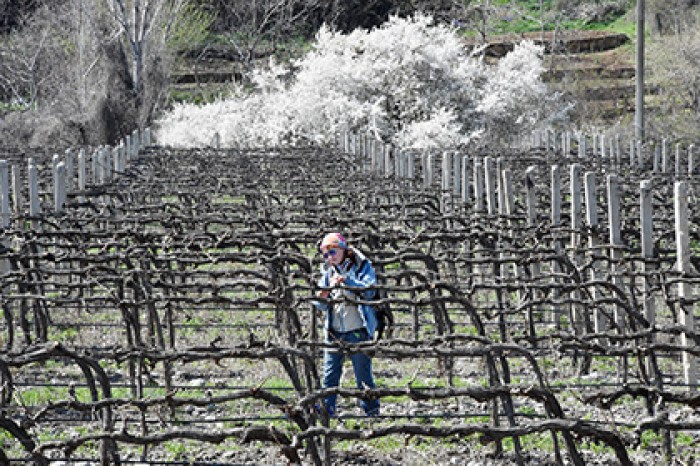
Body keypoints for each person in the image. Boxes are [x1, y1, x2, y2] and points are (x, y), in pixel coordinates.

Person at [313, 232, 380, 417]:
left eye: (332, 252)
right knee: (329, 376)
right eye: (326, 254)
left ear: (343, 250)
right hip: (334, 332)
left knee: (363, 377)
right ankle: (328, 413)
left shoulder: (362, 266)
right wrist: (328, 289)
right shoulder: (328, 272)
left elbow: (370, 292)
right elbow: (319, 304)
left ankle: (372, 413)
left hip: (357, 329)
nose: (330, 258)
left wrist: (348, 282)